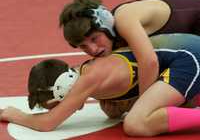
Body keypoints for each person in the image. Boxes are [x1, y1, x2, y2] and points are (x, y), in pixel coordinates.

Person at [1, 33, 200, 137]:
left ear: (63, 87)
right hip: (184, 59)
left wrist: (16, 115)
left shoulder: (90, 77)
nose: (66, 109)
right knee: (170, 111)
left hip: (188, 57)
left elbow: (47, 124)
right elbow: (114, 112)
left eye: (58, 104)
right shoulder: (91, 81)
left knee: (136, 124)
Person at [59, 0, 200, 96]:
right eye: (83, 46)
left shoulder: (124, 19)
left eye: (94, 38)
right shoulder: (112, 38)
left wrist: (142, 105)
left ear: (106, 24)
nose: (93, 49)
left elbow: (149, 63)